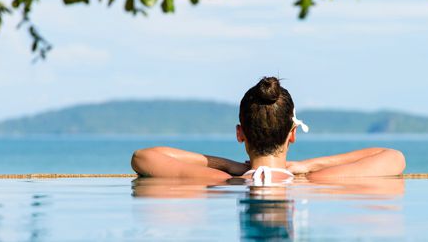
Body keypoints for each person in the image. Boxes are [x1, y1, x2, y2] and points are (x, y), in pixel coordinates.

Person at [131, 77, 406, 183]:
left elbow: (144, 157)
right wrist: (309, 166)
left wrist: (227, 165)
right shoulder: (318, 181)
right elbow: (393, 157)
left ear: (240, 134)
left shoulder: (222, 181)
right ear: (292, 134)